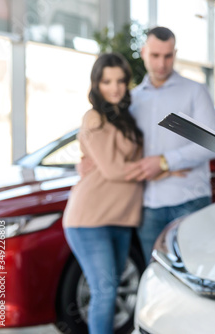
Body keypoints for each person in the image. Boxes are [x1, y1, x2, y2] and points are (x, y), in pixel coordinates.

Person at [124, 26, 215, 264]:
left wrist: (165, 162)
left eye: (168, 56)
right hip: (148, 205)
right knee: (155, 277)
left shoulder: (195, 91)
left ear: (174, 53)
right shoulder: (133, 99)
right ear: (144, 52)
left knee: (197, 272)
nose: (161, 64)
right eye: (155, 56)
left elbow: (213, 143)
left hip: (190, 200)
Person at [63, 53, 144, 333]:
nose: (114, 87)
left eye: (120, 81)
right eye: (107, 81)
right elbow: (111, 170)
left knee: (112, 289)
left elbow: (117, 164)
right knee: (105, 291)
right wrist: (154, 167)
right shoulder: (94, 116)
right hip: (89, 219)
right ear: (96, 84)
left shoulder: (125, 117)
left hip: (120, 218)